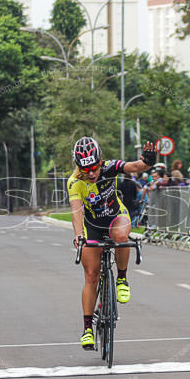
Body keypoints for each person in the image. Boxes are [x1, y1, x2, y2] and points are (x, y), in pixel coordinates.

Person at [68, 136, 156, 350]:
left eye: (94, 168)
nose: (91, 173)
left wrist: (149, 160)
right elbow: (76, 212)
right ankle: (87, 328)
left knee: (121, 237)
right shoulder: (75, 182)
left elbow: (135, 166)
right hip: (92, 226)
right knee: (91, 275)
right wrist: (79, 236)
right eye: (85, 169)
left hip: (116, 217)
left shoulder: (109, 168)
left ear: (100, 161)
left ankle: (122, 279)